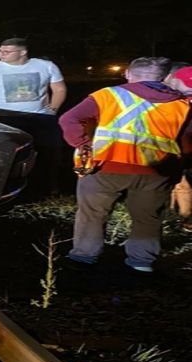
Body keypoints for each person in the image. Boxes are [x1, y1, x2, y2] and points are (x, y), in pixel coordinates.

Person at [59, 57, 192, 274]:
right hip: (155, 171)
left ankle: (84, 256)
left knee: (93, 213)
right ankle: (142, 262)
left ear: (129, 74)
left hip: (106, 166)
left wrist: (84, 147)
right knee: (148, 217)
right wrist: (177, 168)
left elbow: (68, 120)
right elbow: (187, 142)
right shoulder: (181, 104)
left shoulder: (108, 95)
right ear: (164, 78)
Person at [0, 37, 67, 196]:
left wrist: (53, 109)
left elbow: (59, 89)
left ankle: (48, 187)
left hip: (42, 117)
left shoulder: (46, 66)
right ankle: (8, 188)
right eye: (0, 51)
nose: (1, 55)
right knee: (12, 155)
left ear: (23, 52)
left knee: (49, 153)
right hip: (6, 117)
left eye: (7, 51)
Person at [164, 64, 192, 231]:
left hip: (182, 148)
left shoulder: (176, 101)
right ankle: (178, 214)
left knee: (181, 182)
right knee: (179, 182)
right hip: (182, 148)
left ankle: (184, 216)